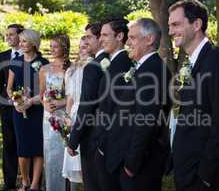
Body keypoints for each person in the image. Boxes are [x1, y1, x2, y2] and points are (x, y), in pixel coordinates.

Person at [168, 0, 219, 191]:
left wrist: (205, 177)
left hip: (202, 177)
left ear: (197, 24)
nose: (170, 31)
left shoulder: (218, 61)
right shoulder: (194, 61)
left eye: (175, 24)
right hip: (187, 169)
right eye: (169, 26)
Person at [104, 18, 172, 191]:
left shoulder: (154, 70)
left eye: (133, 38)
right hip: (126, 158)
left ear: (149, 39)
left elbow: (146, 120)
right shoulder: (144, 67)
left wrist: (132, 164)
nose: (127, 42)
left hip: (140, 165)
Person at [93, 18, 133, 191]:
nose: (100, 39)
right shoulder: (113, 62)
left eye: (105, 35)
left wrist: (102, 143)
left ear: (120, 36)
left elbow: (119, 110)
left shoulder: (122, 64)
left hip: (112, 146)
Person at [67, 22, 108, 191]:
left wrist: (73, 140)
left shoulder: (93, 66)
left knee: (92, 181)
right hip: (110, 132)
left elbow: (87, 105)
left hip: (92, 132)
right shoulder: (112, 60)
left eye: (89, 37)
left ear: (100, 39)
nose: (86, 41)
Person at [7, 29, 49, 191]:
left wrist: (30, 102)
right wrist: (16, 101)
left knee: (38, 149)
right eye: (20, 41)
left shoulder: (44, 63)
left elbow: (44, 92)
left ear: (33, 43)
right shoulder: (15, 62)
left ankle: (34, 185)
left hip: (37, 111)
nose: (21, 44)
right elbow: (9, 88)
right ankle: (25, 181)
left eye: (24, 41)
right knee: (23, 149)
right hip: (19, 112)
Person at [39, 34, 71, 191]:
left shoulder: (72, 68)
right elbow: (41, 94)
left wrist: (61, 102)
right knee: (51, 155)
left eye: (55, 46)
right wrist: (44, 103)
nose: (51, 49)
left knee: (67, 152)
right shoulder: (44, 69)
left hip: (66, 114)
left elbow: (75, 96)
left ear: (64, 47)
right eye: (50, 46)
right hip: (49, 117)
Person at [0, 23, 24, 191]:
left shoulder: (30, 56)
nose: (8, 37)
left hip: (26, 107)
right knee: (9, 144)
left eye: (11, 34)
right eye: (7, 34)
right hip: (7, 108)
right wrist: (3, 104)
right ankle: (9, 182)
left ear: (20, 36)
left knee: (26, 144)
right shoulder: (3, 56)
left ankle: (28, 181)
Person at [62, 36, 91, 190]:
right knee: (74, 160)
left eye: (86, 46)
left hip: (87, 113)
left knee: (86, 164)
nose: (82, 49)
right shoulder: (72, 70)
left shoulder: (96, 67)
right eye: (80, 47)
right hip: (74, 114)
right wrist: (67, 118)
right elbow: (70, 98)